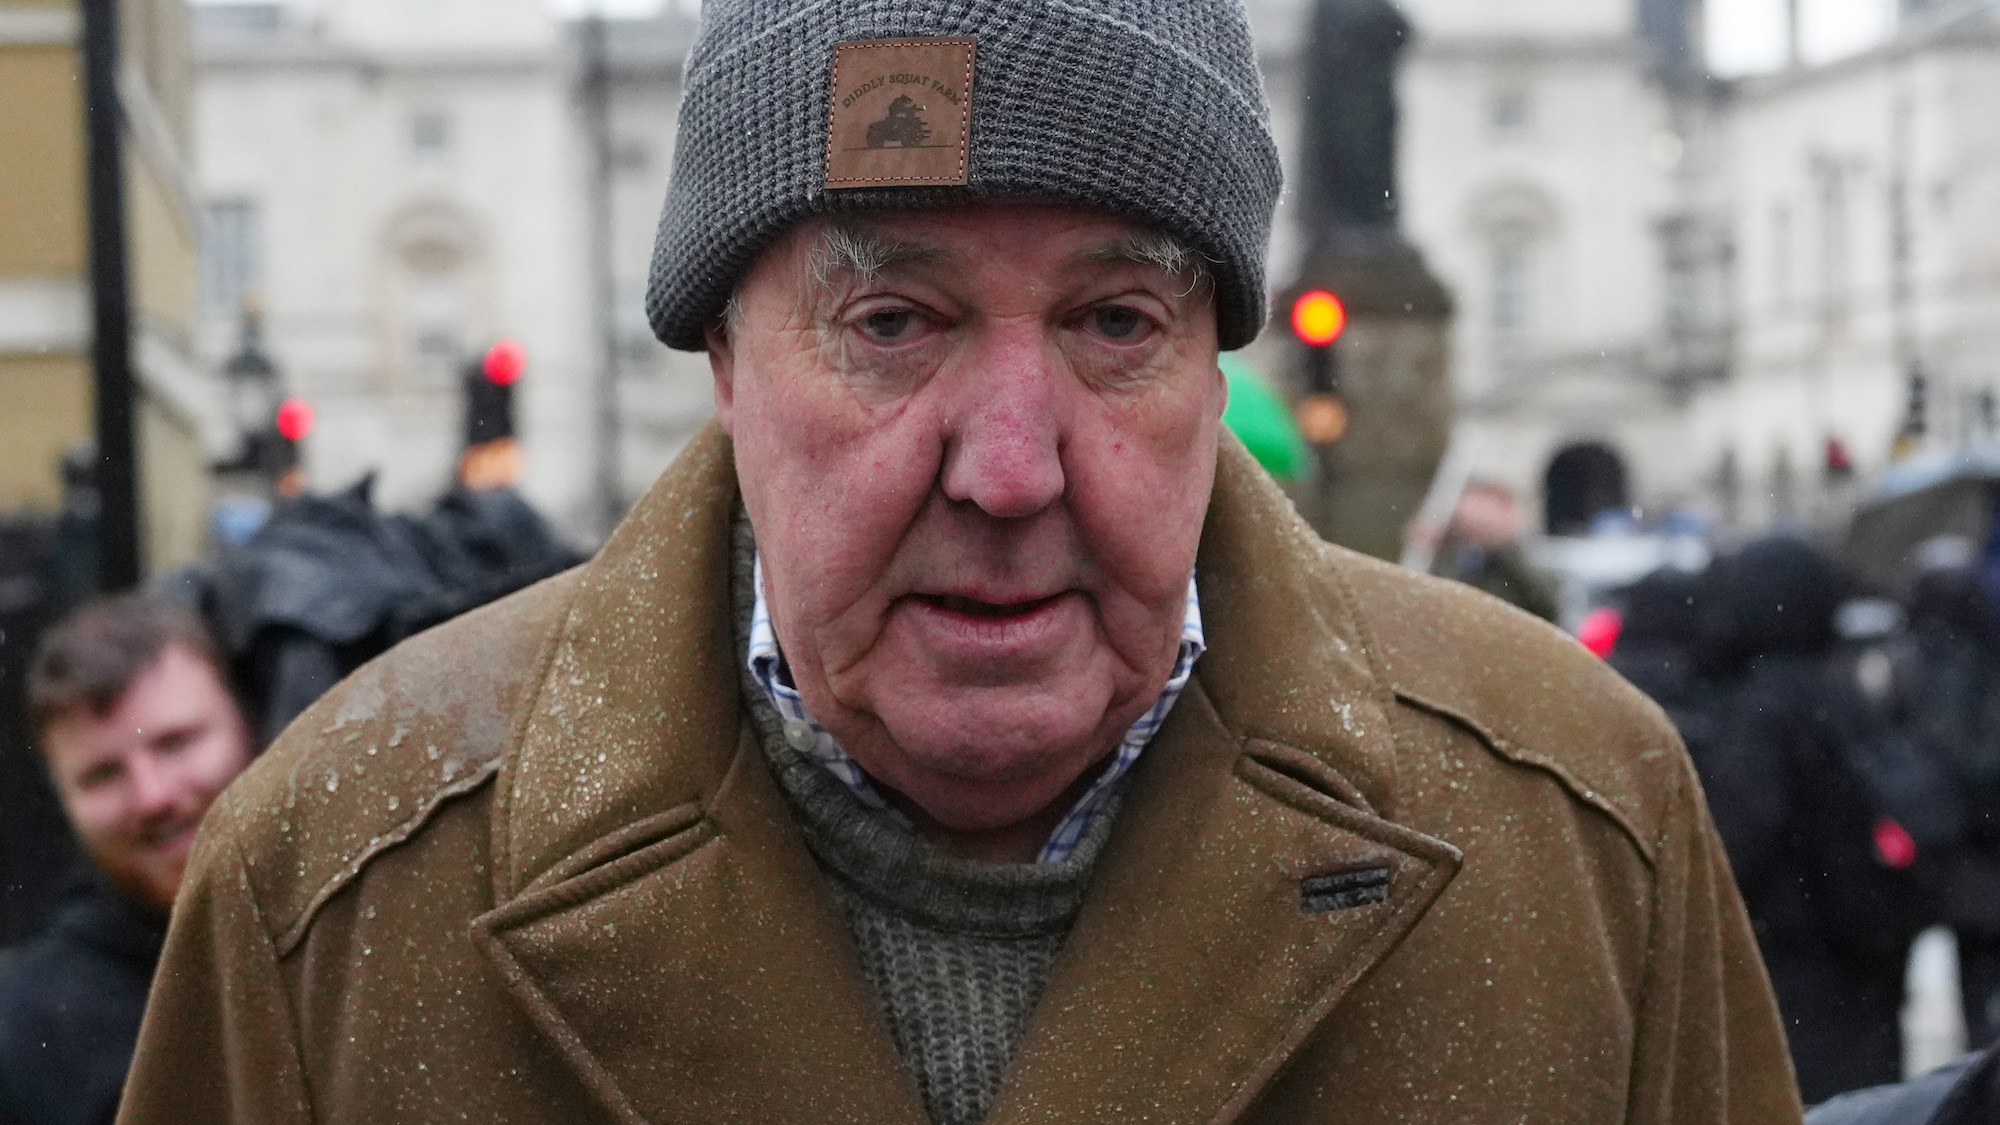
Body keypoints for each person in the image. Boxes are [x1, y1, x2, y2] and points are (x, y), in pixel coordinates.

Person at [117, 3, 1801, 1121]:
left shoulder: (1582, 829)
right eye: (893, 322)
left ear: (1220, 355)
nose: (1010, 468)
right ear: (722, 361)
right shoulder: (331, 895)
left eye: (1117, 321)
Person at [1693, 537, 1961, 1104]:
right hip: (1865, 959)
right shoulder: (1843, 692)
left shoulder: (1761, 708)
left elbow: (1738, 842)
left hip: (1794, 967)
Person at [0, 596, 255, 1125]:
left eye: (176, 742)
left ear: (246, 724)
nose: (153, 797)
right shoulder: (32, 1026)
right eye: (103, 775)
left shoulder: (363, 915)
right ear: (61, 797)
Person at [1426, 479, 1562, 622]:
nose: (1483, 517)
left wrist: (1501, 543)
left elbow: (1549, 603)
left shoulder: (1528, 557)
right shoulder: (1456, 550)